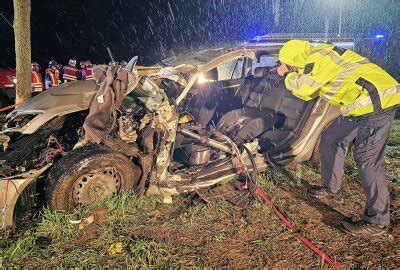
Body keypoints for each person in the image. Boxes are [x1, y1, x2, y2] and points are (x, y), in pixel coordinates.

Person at [277, 40, 399, 237]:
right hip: (359, 104)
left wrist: (287, 75)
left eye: (288, 64)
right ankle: (331, 188)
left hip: (377, 101)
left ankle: (377, 222)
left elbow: (305, 90)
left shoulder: (317, 57)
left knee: (368, 160)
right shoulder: (315, 56)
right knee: (331, 138)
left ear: (294, 58)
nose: (288, 68)